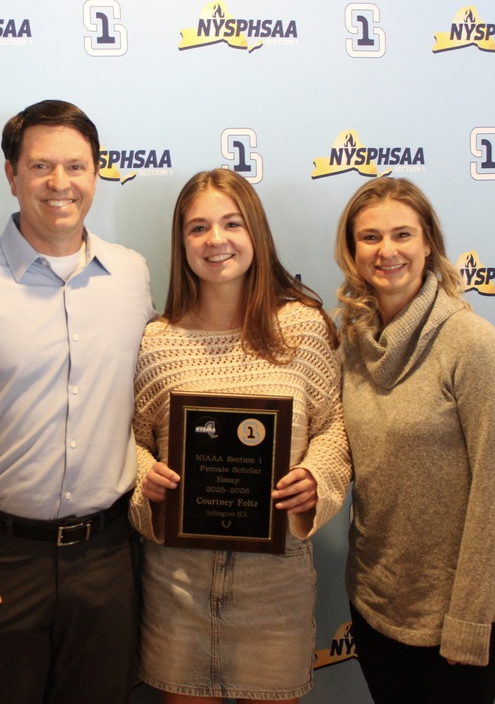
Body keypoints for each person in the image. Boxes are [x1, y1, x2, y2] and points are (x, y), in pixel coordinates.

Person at [0, 99, 155, 703]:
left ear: (97, 174)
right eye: (40, 167)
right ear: (10, 175)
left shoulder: (134, 275)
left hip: (108, 558)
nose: (59, 183)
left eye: (76, 166)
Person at [129, 169, 351, 704]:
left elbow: (335, 427)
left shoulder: (303, 327)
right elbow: (131, 440)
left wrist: (316, 476)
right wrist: (144, 475)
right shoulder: (157, 341)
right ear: (181, 243)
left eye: (232, 223)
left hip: (274, 585)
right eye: (197, 228)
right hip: (177, 583)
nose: (216, 240)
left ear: (256, 233)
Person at [335, 177, 495, 703]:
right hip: (376, 608)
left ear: (428, 244)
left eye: (402, 234)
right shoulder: (351, 341)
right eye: (369, 237)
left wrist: (468, 619)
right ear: (351, 252)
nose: (387, 251)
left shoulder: (472, 344)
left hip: (459, 619)